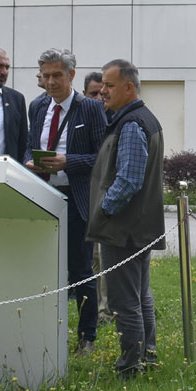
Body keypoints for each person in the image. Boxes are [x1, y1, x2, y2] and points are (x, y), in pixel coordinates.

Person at [24, 49, 107, 354]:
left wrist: (68, 162)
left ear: (71, 75)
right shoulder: (37, 106)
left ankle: (87, 336)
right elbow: (28, 147)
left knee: (81, 271)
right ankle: (43, 327)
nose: (50, 81)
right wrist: (29, 163)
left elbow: (102, 157)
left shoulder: (90, 109)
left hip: (76, 200)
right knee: (42, 268)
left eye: (57, 75)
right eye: (45, 76)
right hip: (41, 197)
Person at [88, 59, 165, 378]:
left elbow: (129, 180)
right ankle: (147, 355)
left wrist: (104, 210)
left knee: (124, 301)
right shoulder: (137, 119)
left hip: (123, 229)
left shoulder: (132, 124)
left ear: (128, 87)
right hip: (137, 227)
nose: (102, 91)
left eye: (108, 85)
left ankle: (131, 366)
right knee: (139, 294)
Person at [82, 69, 111, 321]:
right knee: (89, 259)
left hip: (106, 200)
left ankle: (105, 310)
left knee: (103, 256)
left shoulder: (116, 119)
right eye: (94, 94)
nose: (100, 98)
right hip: (83, 199)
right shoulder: (79, 119)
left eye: (103, 92)